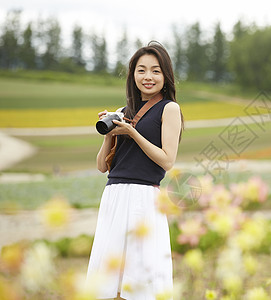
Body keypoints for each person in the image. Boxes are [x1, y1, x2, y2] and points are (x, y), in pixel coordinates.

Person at [86, 41, 183, 300]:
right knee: (110, 275)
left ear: (165, 76)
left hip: (144, 197)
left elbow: (167, 160)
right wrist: (109, 133)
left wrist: (132, 132)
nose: (148, 77)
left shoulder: (169, 109)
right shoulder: (122, 112)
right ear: (133, 75)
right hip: (114, 195)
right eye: (141, 70)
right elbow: (101, 166)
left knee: (140, 275)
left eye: (155, 70)